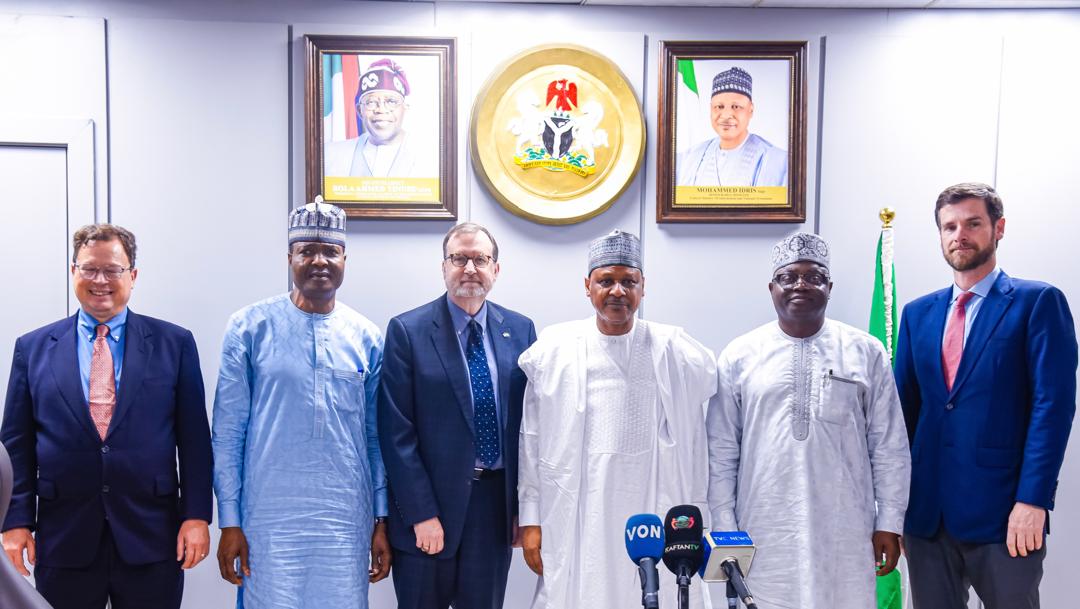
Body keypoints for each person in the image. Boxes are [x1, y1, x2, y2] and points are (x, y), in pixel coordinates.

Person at [1, 224, 213, 609]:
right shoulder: (32, 348)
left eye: (113, 270)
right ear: (73, 272)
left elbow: (195, 440)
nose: (101, 280)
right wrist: (15, 522)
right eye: (89, 269)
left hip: (151, 534)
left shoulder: (173, 344)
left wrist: (196, 515)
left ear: (132, 275)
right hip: (64, 536)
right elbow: (16, 446)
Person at [895, 183, 1077, 609]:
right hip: (927, 517)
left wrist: (1033, 500)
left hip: (1006, 516)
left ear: (999, 228)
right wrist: (895, 508)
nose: (960, 234)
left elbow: (1053, 408)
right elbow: (902, 416)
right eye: (950, 226)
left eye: (973, 223)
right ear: (940, 235)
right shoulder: (917, 314)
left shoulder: (1038, 303)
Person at [706, 232, 910, 609]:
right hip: (764, 531)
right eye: (789, 276)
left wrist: (890, 521)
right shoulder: (740, 355)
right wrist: (724, 527)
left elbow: (889, 445)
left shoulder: (866, 352)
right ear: (772, 287)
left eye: (813, 276)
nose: (801, 284)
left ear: (829, 287)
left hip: (847, 532)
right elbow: (721, 452)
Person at [517, 230, 717, 609]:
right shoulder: (555, 351)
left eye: (629, 281)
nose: (617, 291)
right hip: (578, 514)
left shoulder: (676, 350)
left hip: (654, 505)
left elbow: (710, 396)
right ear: (587, 286)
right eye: (606, 280)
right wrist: (531, 519)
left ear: (644, 287)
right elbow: (532, 441)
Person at [212, 199, 390, 608]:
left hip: (345, 520)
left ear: (345, 258)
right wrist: (231, 522)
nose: (319, 261)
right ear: (289, 258)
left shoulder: (366, 336)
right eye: (306, 250)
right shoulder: (248, 328)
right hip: (268, 521)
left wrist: (381, 519)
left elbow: (376, 437)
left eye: (330, 251)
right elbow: (227, 432)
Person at [378, 223, 535, 609]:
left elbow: (530, 429)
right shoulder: (408, 331)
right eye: (459, 258)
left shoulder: (520, 330)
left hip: (493, 510)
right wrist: (421, 514)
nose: (469, 268)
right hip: (429, 511)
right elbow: (396, 432)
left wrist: (522, 510)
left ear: (496, 269)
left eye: (480, 259)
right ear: (443, 266)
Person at [324, 58, 437, 178]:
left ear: (404, 108)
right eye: (371, 102)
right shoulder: (331, 155)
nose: (381, 110)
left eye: (391, 101)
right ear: (359, 111)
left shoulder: (432, 157)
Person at [676, 66, 788, 187]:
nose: (726, 115)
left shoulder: (775, 160)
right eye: (719, 106)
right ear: (710, 109)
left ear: (750, 110)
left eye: (736, 107)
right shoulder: (691, 157)